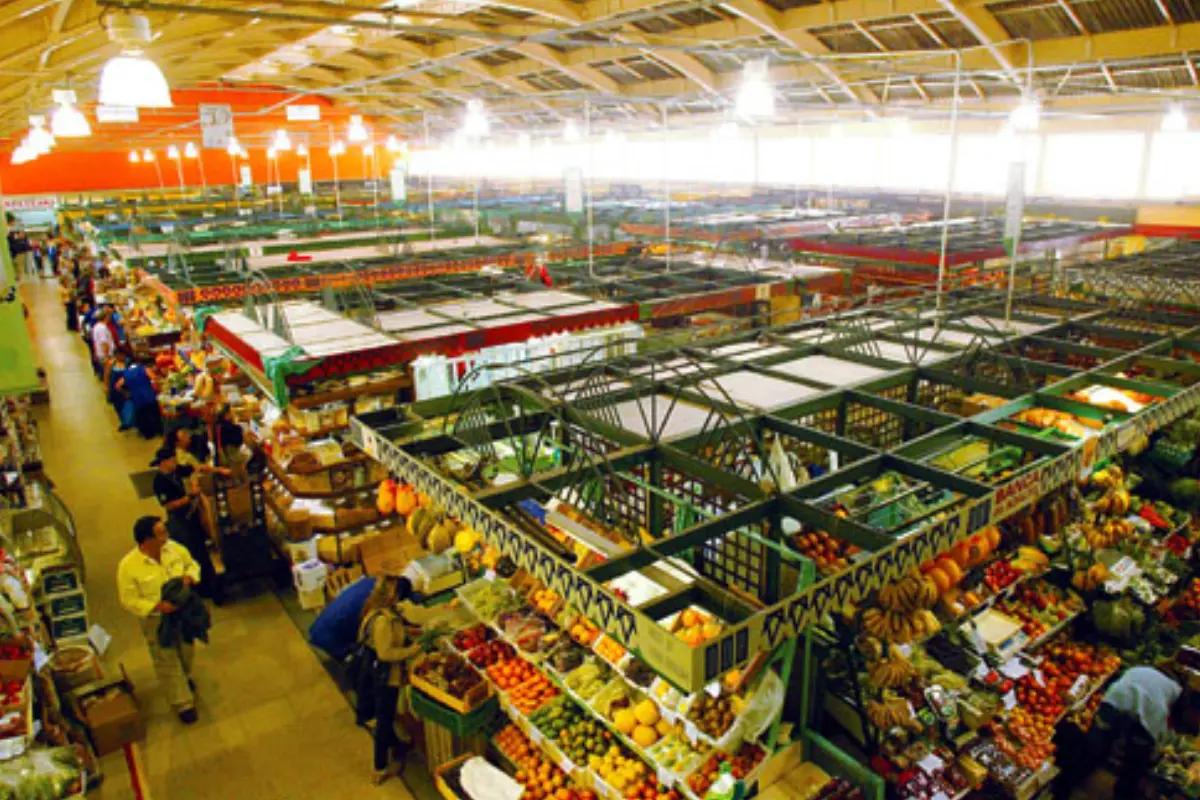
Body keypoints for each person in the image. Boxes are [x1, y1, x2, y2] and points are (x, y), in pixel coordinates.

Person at [1053, 663, 1200, 799]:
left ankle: (1068, 782)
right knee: (1121, 758)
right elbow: (1151, 740)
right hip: (1119, 700)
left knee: (1100, 746)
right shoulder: (1159, 708)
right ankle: (1064, 787)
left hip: (1129, 686)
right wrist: (1152, 755)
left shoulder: (1176, 692)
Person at [117, 516, 202, 724]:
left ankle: (183, 677)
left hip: (182, 613)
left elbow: (192, 565)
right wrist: (156, 606)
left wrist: (189, 577)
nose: (166, 535)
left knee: (186, 649)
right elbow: (128, 600)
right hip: (156, 619)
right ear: (146, 540)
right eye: (161, 533)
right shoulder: (128, 567)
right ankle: (183, 703)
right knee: (166, 658)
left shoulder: (174, 549)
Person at [358, 575, 422, 785]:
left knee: (385, 714)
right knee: (384, 720)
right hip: (384, 676)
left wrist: (409, 632)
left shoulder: (379, 611)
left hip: (376, 673)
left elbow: (392, 634)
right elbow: (385, 653)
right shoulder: (383, 620)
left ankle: (395, 745)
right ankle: (380, 768)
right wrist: (412, 650)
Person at [152, 446, 219, 603]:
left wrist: (219, 470)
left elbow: (195, 468)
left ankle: (206, 583)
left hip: (190, 516)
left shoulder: (176, 471)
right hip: (179, 520)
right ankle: (200, 588)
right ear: (164, 462)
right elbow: (169, 505)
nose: (175, 461)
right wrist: (190, 496)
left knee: (201, 550)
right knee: (192, 552)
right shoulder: (159, 482)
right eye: (172, 459)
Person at [116, 357, 163, 439]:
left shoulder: (126, 373)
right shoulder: (143, 369)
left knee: (142, 416)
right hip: (149, 395)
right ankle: (158, 431)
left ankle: (147, 434)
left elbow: (117, 386)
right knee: (154, 413)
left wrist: (126, 393)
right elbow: (154, 378)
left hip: (137, 398)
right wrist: (158, 387)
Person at [91, 308, 116, 378]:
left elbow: (95, 341)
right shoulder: (102, 328)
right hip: (105, 354)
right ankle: (107, 387)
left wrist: (95, 353)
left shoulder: (96, 326)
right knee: (108, 372)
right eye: (109, 316)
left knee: (106, 371)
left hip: (100, 353)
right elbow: (104, 343)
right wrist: (107, 357)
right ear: (106, 317)